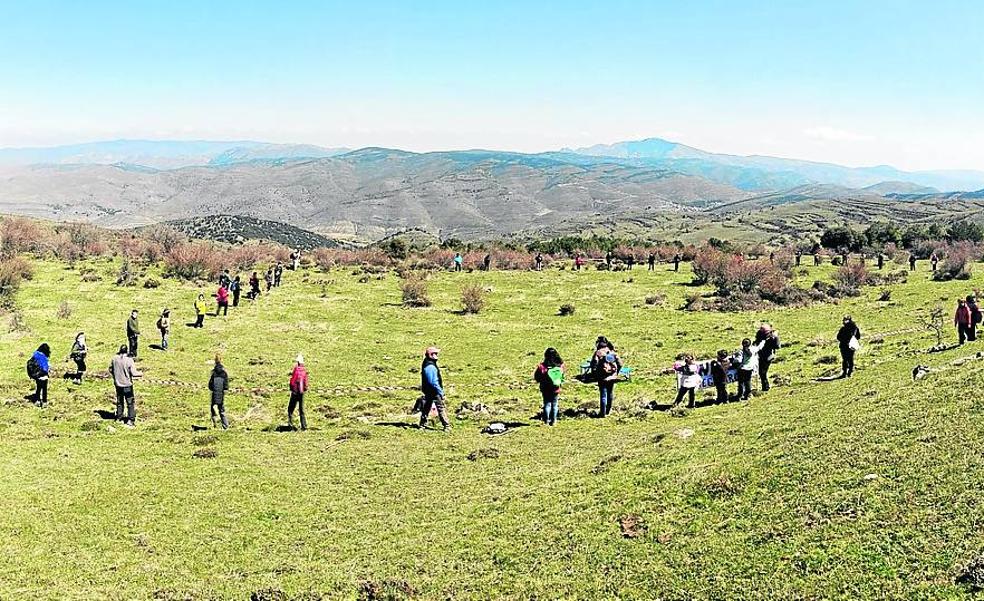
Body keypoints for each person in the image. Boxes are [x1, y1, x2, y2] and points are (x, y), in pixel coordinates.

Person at [419, 346, 451, 431]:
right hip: (434, 391)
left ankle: (422, 424)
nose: (437, 355)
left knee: (427, 407)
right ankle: (446, 426)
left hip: (428, 390)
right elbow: (433, 382)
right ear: (431, 355)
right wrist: (441, 392)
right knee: (441, 408)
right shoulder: (430, 366)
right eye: (435, 353)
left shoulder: (427, 363)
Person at [110, 344, 142, 427]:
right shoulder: (129, 360)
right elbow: (134, 373)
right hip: (127, 385)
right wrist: (141, 374)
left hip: (118, 384)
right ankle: (130, 420)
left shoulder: (114, 359)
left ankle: (119, 418)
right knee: (130, 403)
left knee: (120, 402)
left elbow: (110, 369)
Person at [590, 336, 621, 417]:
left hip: (602, 377)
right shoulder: (612, 352)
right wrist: (616, 373)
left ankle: (602, 413)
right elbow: (620, 364)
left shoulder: (598, 353)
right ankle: (608, 411)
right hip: (612, 376)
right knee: (610, 393)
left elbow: (593, 364)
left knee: (603, 394)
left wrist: (594, 372)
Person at [533, 348, 564, 426]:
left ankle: (546, 421)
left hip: (545, 388)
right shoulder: (560, 365)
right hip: (556, 387)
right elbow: (562, 375)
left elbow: (537, 377)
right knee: (555, 404)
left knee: (547, 404)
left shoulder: (542, 366)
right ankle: (554, 421)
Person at [755, 325, 780, 392]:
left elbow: (777, 346)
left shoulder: (773, 337)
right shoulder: (760, 335)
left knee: (762, 372)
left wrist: (774, 338)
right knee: (761, 373)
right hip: (760, 356)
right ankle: (765, 386)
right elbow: (756, 342)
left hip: (768, 357)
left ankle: (765, 387)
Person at [208, 355, 230, 429]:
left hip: (214, 394)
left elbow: (210, 385)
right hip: (221, 394)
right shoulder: (224, 373)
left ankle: (215, 424)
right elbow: (226, 386)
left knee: (212, 408)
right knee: (222, 410)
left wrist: (212, 389)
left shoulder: (213, 373)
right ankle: (225, 425)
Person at [288, 354, 308, 431]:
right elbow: (306, 382)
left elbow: (293, 380)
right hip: (302, 392)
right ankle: (304, 426)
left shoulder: (296, 370)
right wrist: (305, 388)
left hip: (295, 392)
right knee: (301, 410)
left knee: (290, 409)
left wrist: (291, 388)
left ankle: (291, 424)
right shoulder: (304, 370)